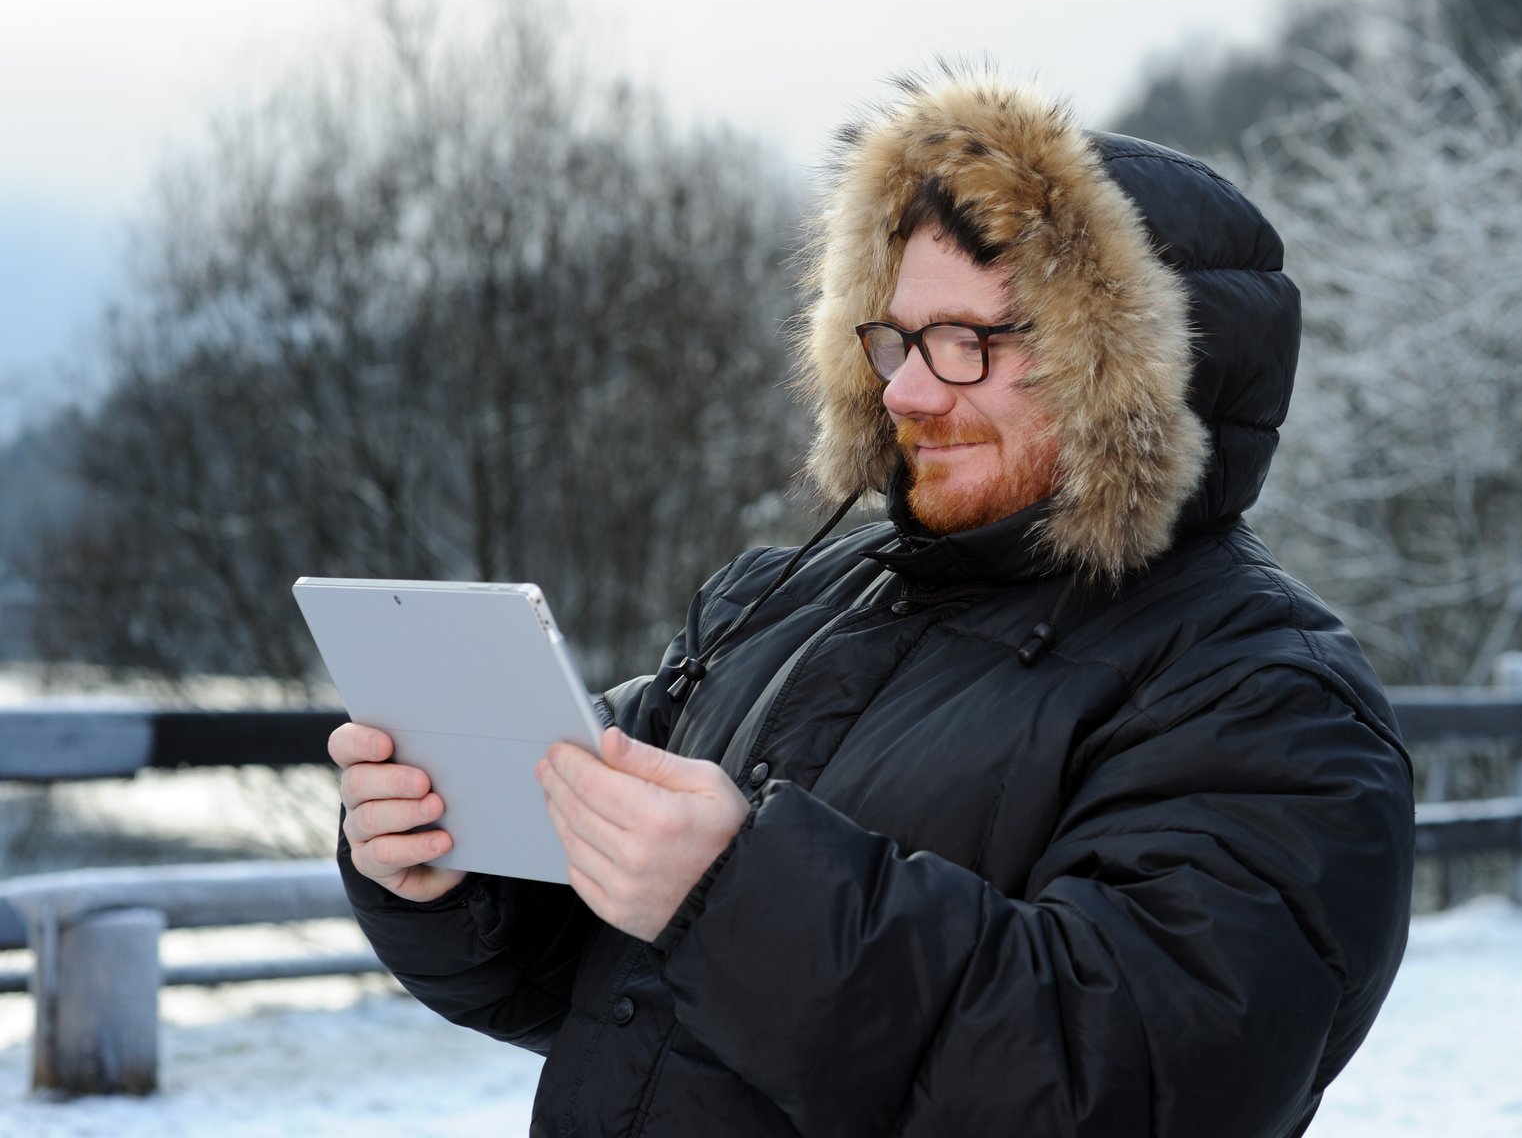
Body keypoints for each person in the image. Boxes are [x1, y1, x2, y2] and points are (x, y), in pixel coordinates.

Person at [331, 69, 1415, 1137]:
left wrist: (737, 897)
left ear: (1119, 375)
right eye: (895, 338)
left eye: (968, 342)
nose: (903, 390)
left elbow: (1128, 1077)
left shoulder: (1271, 696)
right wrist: (452, 869)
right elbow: (599, 989)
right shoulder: (780, 602)